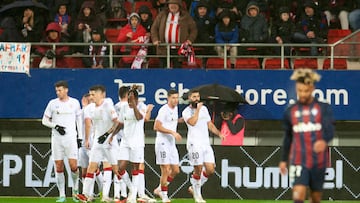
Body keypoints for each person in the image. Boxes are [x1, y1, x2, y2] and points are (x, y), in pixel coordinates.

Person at [279, 68, 335, 203]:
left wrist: (324, 140)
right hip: (298, 161)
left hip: (318, 162)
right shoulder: (290, 111)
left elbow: (330, 131)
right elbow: (288, 137)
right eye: (300, 91)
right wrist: (283, 159)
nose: (303, 94)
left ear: (312, 89)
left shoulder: (323, 108)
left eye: (306, 91)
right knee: (298, 195)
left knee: (315, 198)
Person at [76, 85, 121, 203]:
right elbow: (89, 125)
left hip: (109, 141)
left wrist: (110, 135)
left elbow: (117, 122)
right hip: (97, 141)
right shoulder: (90, 108)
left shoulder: (108, 103)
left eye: (93, 94)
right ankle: (86, 194)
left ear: (102, 94)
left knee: (114, 168)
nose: (91, 97)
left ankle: (126, 191)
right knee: (92, 166)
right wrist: (88, 139)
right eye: (90, 95)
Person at [41, 80, 82, 203]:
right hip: (57, 139)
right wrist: (56, 126)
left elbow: (79, 121)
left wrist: (80, 137)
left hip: (71, 138)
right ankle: (62, 195)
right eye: (57, 91)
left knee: (73, 166)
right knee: (58, 166)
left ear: (66, 90)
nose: (58, 93)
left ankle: (75, 191)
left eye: (60, 90)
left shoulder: (74, 103)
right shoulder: (52, 104)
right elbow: (44, 120)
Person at [182, 90, 225, 203]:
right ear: (190, 98)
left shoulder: (204, 109)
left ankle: (194, 187)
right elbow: (192, 122)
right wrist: (197, 111)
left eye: (198, 96)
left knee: (210, 170)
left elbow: (209, 124)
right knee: (198, 169)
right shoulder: (186, 112)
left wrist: (219, 133)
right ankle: (198, 196)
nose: (197, 99)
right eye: (194, 97)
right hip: (194, 144)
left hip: (205, 143)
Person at [116, 86, 148, 203]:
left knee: (135, 167)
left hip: (137, 143)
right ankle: (131, 189)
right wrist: (112, 135)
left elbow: (139, 117)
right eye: (128, 100)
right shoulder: (124, 107)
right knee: (120, 168)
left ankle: (133, 197)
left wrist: (134, 104)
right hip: (125, 141)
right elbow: (120, 123)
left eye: (132, 99)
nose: (129, 102)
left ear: (137, 100)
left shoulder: (142, 107)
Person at [153, 89, 182, 203]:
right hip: (162, 143)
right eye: (173, 98)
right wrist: (172, 132)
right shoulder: (164, 110)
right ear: (168, 98)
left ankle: (160, 188)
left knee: (175, 170)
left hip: (171, 143)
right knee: (165, 169)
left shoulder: (175, 109)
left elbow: (171, 121)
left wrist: (181, 120)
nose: (175, 100)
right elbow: (156, 126)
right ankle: (164, 195)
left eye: (177, 98)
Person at [150, 0, 197, 68]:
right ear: (168, 5)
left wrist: (190, 39)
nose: (173, 6)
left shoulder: (186, 16)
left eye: (175, 4)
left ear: (179, 5)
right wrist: (155, 39)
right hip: (163, 48)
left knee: (177, 71)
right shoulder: (162, 15)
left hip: (179, 49)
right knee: (163, 70)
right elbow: (154, 28)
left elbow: (194, 30)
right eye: (171, 4)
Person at [78, 93, 104, 200]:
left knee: (93, 168)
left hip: (92, 142)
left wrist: (88, 139)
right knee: (85, 170)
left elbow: (89, 123)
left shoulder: (93, 110)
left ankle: (101, 192)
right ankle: (90, 195)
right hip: (82, 143)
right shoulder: (83, 111)